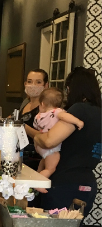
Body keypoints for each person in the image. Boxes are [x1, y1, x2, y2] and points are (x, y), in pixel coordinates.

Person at [26, 67, 101, 220]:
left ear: (71, 88)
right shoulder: (99, 112)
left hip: (64, 184)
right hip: (87, 183)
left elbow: (49, 141)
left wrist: (36, 136)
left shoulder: (79, 109)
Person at [29, 88, 84, 179]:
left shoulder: (38, 116)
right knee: (50, 168)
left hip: (39, 145)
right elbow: (65, 116)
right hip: (51, 148)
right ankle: (38, 183)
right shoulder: (57, 111)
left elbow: (36, 127)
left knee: (44, 160)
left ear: (42, 104)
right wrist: (78, 121)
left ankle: (38, 173)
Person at [18, 69, 49, 171]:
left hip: (35, 159)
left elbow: (47, 138)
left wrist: (23, 126)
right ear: (25, 84)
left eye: (38, 82)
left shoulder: (48, 108)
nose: (33, 85)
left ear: (46, 85)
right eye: (30, 81)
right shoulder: (25, 103)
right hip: (19, 155)